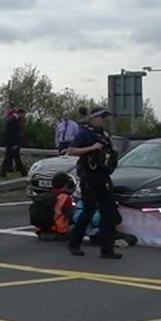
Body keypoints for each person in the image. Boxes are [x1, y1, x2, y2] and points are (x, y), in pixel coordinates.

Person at [66, 107, 121, 258]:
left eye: (105, 118)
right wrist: (91, 148)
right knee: (88, 211)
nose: (104, 120)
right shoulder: (85, 133)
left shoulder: (103, 134)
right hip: (89, 177)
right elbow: (71, 150)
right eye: (102, 117)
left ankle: (107, 249)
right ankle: (74, 243)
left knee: (108, 213)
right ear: (94, 118)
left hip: (103, 177)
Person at [36, 172, 77, 241]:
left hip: (42, 232)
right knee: (80, 223)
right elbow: (72, 214)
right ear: (65, 185)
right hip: (58, 232)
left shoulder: (45, 196)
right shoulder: (64, 197)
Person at [0, 108, 27, 178]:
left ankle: (3, 173)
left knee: (10, 158)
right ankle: (24, 173)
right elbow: (13, 134)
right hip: (12, 144)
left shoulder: (14, 120)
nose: (24, 116)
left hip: (12, 144)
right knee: (14, 159)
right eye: (24, 114)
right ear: (21, 113)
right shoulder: (13, 120)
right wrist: (14, 144)